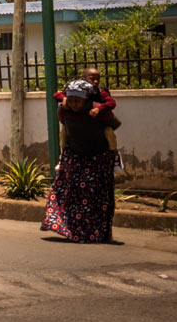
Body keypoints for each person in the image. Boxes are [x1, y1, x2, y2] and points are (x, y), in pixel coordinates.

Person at [40, 79, 122, 243]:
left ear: (86, 100)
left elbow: (114, 124)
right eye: (71, 101)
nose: (74, 104)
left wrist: (98, 111)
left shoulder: (99, 111)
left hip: (98, 160)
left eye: (77, 101)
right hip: (75, 158)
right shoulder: (64, 111)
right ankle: (71, 230)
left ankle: (96, 234)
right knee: (69, 194)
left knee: (97, 199)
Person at [52, 67, 119, 159]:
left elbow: (111, 103)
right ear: (83, 79)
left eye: (97, 79)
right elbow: (56, 95)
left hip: (96, 122)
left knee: (108, 132)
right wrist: (64, 98)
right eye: (92, 79)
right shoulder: (75, 89)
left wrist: (99, 109)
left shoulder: (100, 92)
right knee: (64, 130)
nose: (95, 81)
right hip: (76, 123)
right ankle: (62, 155)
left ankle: (115, 155)